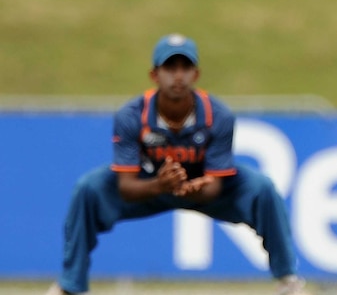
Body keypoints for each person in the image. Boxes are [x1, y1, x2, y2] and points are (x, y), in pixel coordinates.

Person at [45, 34, 310, 295]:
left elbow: (216, 184)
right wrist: (160, 185)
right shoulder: (132, 116)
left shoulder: (218, 115)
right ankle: (70, 285)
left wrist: (196, 189)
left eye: (186, 68)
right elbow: (125, 187)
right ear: (154, 75)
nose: (178, 76)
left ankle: (288, 280)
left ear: (196, 74)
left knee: (263, 189)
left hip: (203, 189)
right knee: (88, 190)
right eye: (170, 68)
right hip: (147, 186)